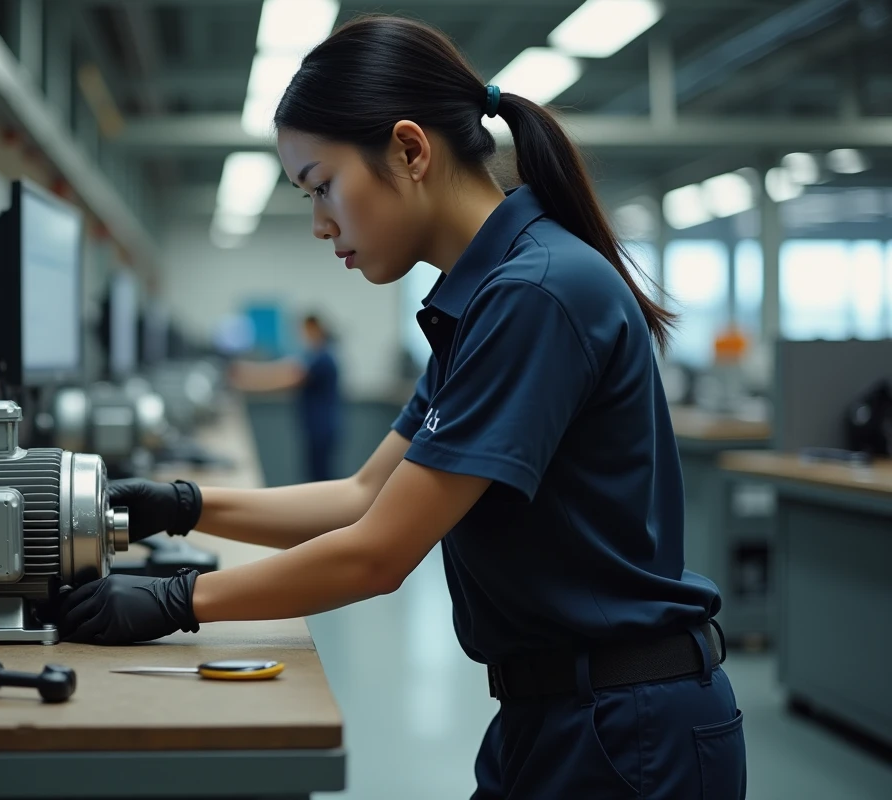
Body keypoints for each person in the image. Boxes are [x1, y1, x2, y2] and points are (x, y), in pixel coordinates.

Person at [57, 15, 745, 800]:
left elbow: (378, 554)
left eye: (322, 186)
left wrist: (173, 601)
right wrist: (181, 505)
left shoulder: (533, 295)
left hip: (626, 734)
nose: (320, 224)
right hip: (555, 713)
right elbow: (364, 497)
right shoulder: (479, 301)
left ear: (411, 151)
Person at [228, 313, 342, 482]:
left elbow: (289, 378)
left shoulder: (322, 358)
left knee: (321, 477)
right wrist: (248, 372)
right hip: (315, 426)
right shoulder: (314, 355)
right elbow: (283, 368)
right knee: (315, 474)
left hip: (322, 427)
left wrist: (247, 384)